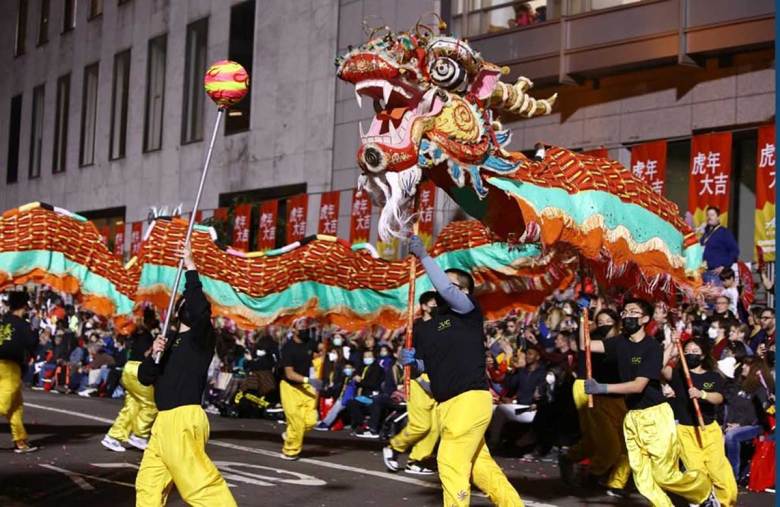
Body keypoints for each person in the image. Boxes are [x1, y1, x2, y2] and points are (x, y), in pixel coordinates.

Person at [402, 235, 523, 506]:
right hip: (445, 404)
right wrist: (413, 363)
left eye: (451, 284)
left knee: (450, 462)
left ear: (465, 292)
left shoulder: (467, 311)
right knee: (481, 466)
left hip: (469, 399)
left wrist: (424, 256)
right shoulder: (428, 327)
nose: (441, 288)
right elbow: (429, 364)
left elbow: (446, 290)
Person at [585, 298, 718, 507]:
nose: (627, 315)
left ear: (645, 319)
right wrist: (587, 320)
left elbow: (638, 386)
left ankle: (703, 492)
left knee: (664, 475)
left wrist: (602, 388)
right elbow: (585, 345)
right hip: (632, 417)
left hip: (655, 416)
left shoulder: (652, 347)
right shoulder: (619, 342)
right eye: (625, 312)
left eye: (633, 312)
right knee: (643, 479)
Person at [135, 243, 236, 506]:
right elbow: (145, 377)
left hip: (182, 420)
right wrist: (153, 355)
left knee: (199, 486)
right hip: (162, 423)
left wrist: (191, 266)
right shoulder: (167, 341)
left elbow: (200, 309)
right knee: (148, 485)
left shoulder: (200, 339)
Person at [561, 309, 630, 497]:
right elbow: (583, 345)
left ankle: (613, 482)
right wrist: (584, 321)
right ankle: (588, 471)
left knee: (624, 446)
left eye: (608, 320)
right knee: (600, 441)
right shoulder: (595, 341)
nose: (604, 324)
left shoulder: (627, 341)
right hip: (594, 395)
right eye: (600, 321)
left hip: (620, 399)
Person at [662, 337, 737, 507]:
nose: (690, 354)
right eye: (687, 351)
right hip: (685, 431)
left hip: (709, 430)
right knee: (697, 472)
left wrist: (702, 394)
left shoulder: (713, 376)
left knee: (718, 470)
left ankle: (725, 502)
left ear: (703, 355)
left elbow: (718, 398)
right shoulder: (678, 375)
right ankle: (704, 499)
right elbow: (658, 367)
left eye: (695, 351)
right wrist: (672, 345)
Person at [384, 291, 439, 475]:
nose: (436, 306)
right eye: (433, 303)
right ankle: (394, 447)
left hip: (438, 380)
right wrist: (419, 379)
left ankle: (416, 460)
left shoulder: (442, 325)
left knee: (436, 427)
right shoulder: (416, 329)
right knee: (421, 425)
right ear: (423, 306)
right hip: (420, 380)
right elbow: (409, 356)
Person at [101, 308, 158, 453]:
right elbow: (147, 354)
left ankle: (113, 437)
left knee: (132, 405)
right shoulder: (146, 335)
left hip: (128, 369)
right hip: (139, 370)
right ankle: (140, 435)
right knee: (151, 404)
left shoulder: (135, 333)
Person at [722, 357, 775, 483]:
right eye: (743, 364)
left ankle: (732, 477)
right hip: (734, 424)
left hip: (755, 426)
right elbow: (730, 407)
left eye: (747, 365)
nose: (743, 367)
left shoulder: (761, 389)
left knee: (732, 436)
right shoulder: (738, 386)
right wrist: (726, 425)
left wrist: (739, 424)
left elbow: (759, 414)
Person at [0, 291, 38, 453]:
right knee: (4, 404)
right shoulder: (23, 324)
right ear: (24, 306)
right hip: (10, 366)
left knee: (16, 406)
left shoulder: (3, 321)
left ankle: (20, 440)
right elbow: (31, 343)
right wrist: (36, 332)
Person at [279, 319, 321, 460]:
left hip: (305, 387)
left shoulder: (310, 342)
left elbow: (322, 349)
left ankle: (290, 434)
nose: (304, 328)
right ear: (293, 329)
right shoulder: (288, 348)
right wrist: (309, 380)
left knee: (311, 420)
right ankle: (290, 451)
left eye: (306, 325)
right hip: (290, 388)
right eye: (301, 326)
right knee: (296, 421)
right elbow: (289, 374)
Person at [347, 348, 385, 438]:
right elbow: (354, 376)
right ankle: (360, 424)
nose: (367, 358)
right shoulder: (362, 367)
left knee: (354, 403)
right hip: (362, 394)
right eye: (365, 356)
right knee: (351, 403)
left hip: (372, 394)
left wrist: (360, 381)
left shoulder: (377, 369)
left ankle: (364, 425)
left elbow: (372, 384)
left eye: (369, 356)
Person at [699, 206, 739, 286]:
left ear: (718, 217)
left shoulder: (724, 232)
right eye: (708, 215)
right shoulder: (706, 234)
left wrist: (724, 266)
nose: (709, 217)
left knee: (716, 294)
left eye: (712, 215)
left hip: (716, 274)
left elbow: (735, 251)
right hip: (704, 273)